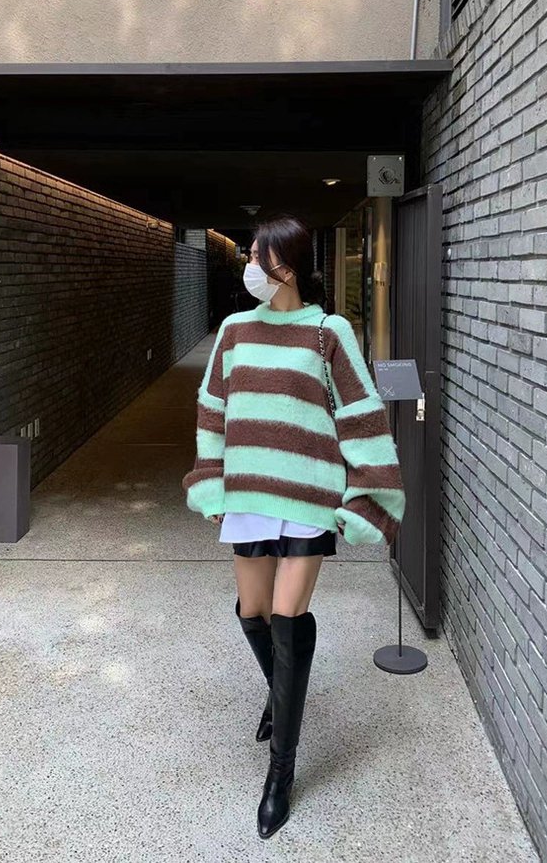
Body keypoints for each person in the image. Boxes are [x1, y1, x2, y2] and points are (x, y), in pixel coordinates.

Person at [181, 212, 406, 840]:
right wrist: (211, 481)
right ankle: (280, 694)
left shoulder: (328, 332)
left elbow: (360, 414)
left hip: (309, 498)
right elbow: (213, 411)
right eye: (250, 254)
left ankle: (281, 773)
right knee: (251, 612)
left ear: (289, 263)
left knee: (287, 617)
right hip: (249, 492)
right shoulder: (234, 331)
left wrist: (367, 497)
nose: (249, 264)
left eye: (258, 255)